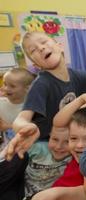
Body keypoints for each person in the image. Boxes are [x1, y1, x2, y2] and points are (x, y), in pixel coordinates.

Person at [5, 31, 86, 161]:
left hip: (71, 145)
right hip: (46, 147)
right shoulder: (42, 83)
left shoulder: (79, 76)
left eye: (43, 42)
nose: (40, 48)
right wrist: (25, 127)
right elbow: (20, 119)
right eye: (33, 50)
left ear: (60, 46)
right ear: (36, 65)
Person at [0, 68, 35, 200]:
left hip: (26, 152)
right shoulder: (1, 104)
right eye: (4, 84)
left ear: (27, 89)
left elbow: (31, 129)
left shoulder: (31, 107)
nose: (6, 88)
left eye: (12, 86)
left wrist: (6, 126)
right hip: (6, 151)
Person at [52, 101, 86, 187]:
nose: (79, 145)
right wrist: (81, 99)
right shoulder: (75, 160)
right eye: (73, 138)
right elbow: (58, 122)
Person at [24, 126, 71, 199]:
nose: (59, 146)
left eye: (67, 142)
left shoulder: (72, 160)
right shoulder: (37, 148)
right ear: (49, 136)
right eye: (55, 139)